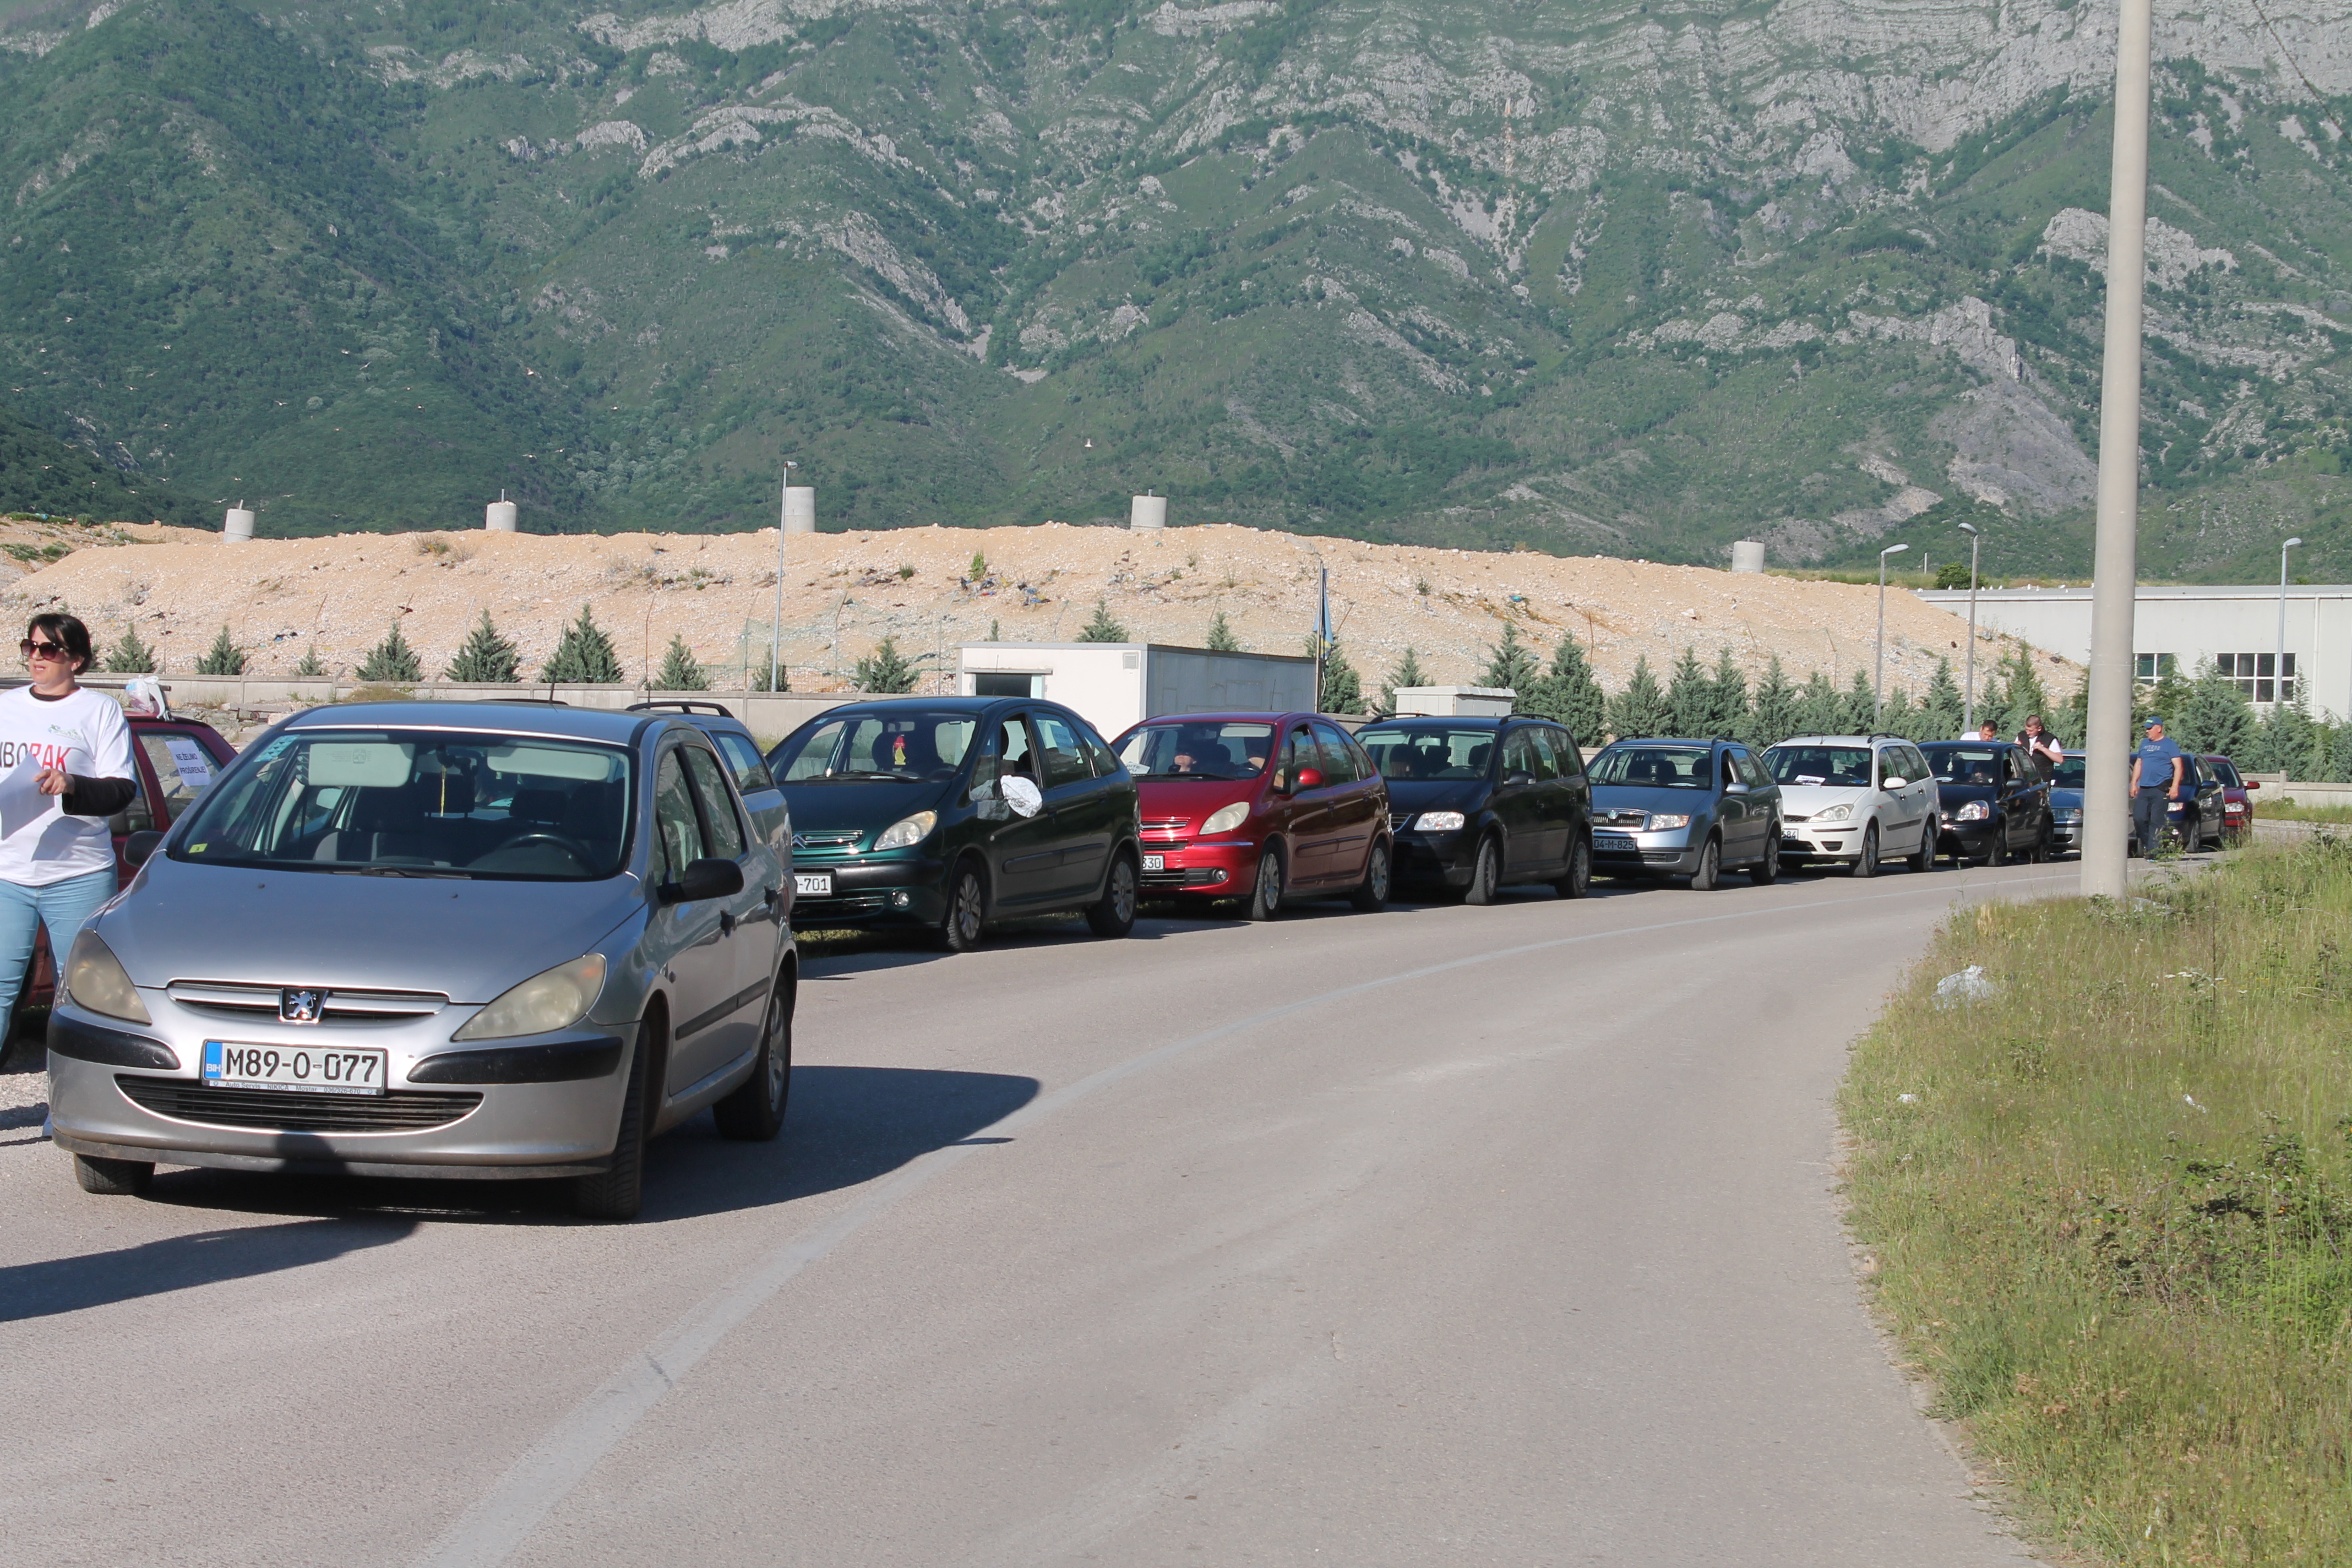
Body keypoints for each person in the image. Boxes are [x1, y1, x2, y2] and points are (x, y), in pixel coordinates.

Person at [0, 613, 138, 1038]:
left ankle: (73, 1099)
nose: (36, 657)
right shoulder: (6, 707)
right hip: (7, 872)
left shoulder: (99, 711)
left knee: (81, 996)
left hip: (76, 874)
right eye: (31, 647)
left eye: (49, 649)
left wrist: (71, 783)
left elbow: (121, 790)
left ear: (76, 659)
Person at [2131, 716, 2186, 857]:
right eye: (2146, 729)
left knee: (2156, 820)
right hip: (2144, 788)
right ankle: (2147, 844)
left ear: (2159, 728)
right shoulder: (2144, 744)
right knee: (2139, 818)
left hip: (2160, 788)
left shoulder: (2169, 745)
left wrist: (2175, 787)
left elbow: (2178, 767)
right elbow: (2139, 763)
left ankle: (2153, 852)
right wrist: (2134, 783)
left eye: (2150, 728)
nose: (2147, 731)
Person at [2017, 714, 2064, 784]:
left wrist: (2043, 749)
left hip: (2042, 780)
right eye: (2026, 730)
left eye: (2031, 731)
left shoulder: (2050, 739)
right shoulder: (2021, 736)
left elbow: (2060, 760)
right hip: (2024, 780)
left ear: (2039, 729)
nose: (2028, 733)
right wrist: (2014, 746)